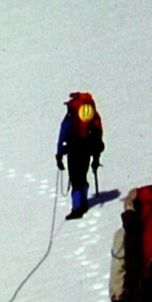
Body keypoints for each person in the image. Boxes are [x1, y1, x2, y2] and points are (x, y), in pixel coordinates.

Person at [55, 91, 104, 219]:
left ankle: (77, 207)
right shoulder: (92, 116)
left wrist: (59, 155)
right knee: (82, 175)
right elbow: (98, 135)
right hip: (88, 149)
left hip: (73, 150)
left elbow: (62, 135)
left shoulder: (70, 117)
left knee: (75, 179)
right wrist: (96, 157)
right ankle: (84, 202)